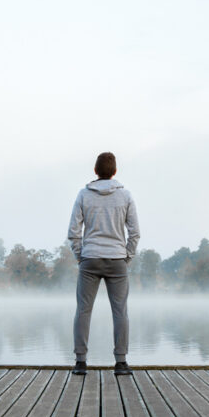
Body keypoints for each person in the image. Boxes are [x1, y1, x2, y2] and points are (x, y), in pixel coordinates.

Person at [67, 152, 140, 375]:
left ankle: (80, 363)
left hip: (90, 259)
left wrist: (81, 256)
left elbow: (73, 232)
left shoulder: (83, 195)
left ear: (96, 171)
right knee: (120, 312)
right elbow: (135, 232)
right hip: (117, 260)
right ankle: (121, 363)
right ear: (115, 171)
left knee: (83, 310)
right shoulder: (125, 196)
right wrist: (126, 256)